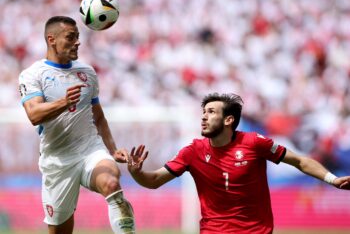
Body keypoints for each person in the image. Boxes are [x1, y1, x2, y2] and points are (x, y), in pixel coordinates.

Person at [127, 92, 350, 234]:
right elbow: (154, 180)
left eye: (211, 112)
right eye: (203, 112)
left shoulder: (254, 143)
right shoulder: (192, 151)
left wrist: (331, 179)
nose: (203, 117)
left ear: (228, 120)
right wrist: (136, 172)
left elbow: (300, 161)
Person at [18, 16, 135, 234]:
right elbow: (34, 114)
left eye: (78, 37)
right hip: (58, 160)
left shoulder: (87, 73)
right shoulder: (32, 75)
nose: (77, 42)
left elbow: (98, 117)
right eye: (71, 37)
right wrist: (64, 102)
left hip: (90, 148)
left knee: (111, 184)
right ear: (51, 39)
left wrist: (112, 149)